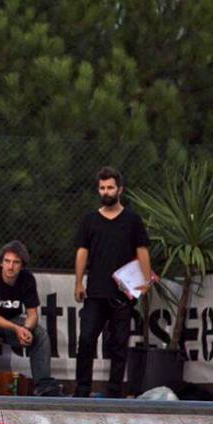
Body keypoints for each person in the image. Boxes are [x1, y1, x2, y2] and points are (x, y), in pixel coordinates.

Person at [74, 166, 152, 398]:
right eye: (102, 188)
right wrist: (78, 282)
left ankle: (115, 392)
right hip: (95, 292)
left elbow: (142, 250)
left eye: (110, 187)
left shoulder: (132, 220)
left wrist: (145, 281)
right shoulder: (90, 220)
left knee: (119, 344)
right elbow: (81, 252)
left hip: (122, 293)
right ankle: (82, 389)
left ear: (120, 190)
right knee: (86, 339)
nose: (106, 192)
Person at [0, 241, 61, 396]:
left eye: (15, 262)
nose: (10, 266)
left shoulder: (27, 279)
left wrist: (26, 329)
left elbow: (33, 314)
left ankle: (43, 384)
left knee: (40, 334)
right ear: (1, 263)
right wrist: (16, 328)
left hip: (11, 320)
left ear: (22, 265)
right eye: (7, 261)